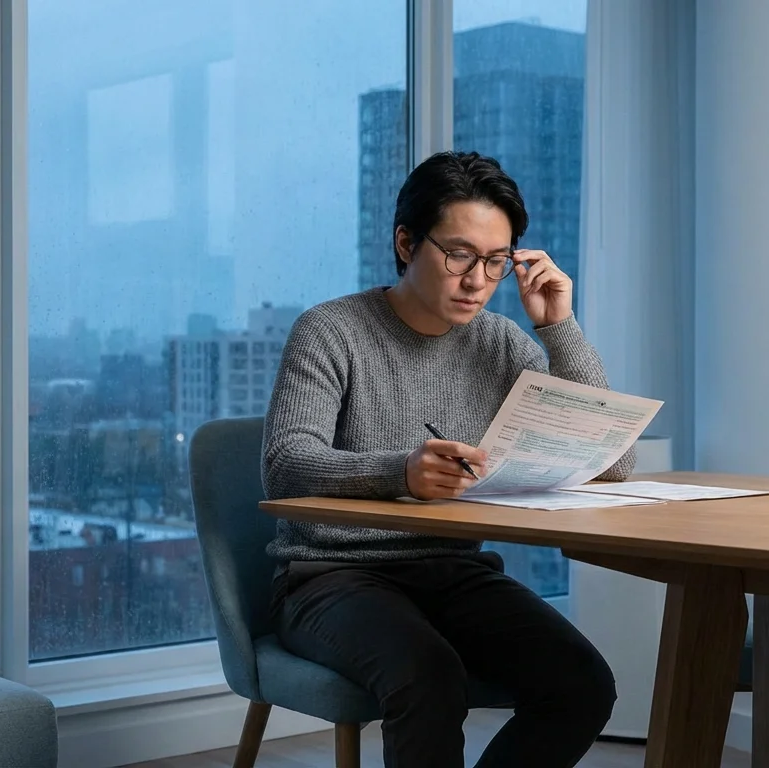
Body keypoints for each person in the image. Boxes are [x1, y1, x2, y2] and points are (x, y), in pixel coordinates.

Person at [262, 150, 632, 767]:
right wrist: (399, 472)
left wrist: (559, 328)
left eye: (495, 261)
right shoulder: (331, 330)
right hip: (329, 577)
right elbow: (287, 462)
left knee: (582, 684)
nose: (477, 280)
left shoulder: (503, 342)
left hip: (455, 572)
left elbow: (612, 462)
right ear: (406, 243)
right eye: (458, 255)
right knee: (430, 678)